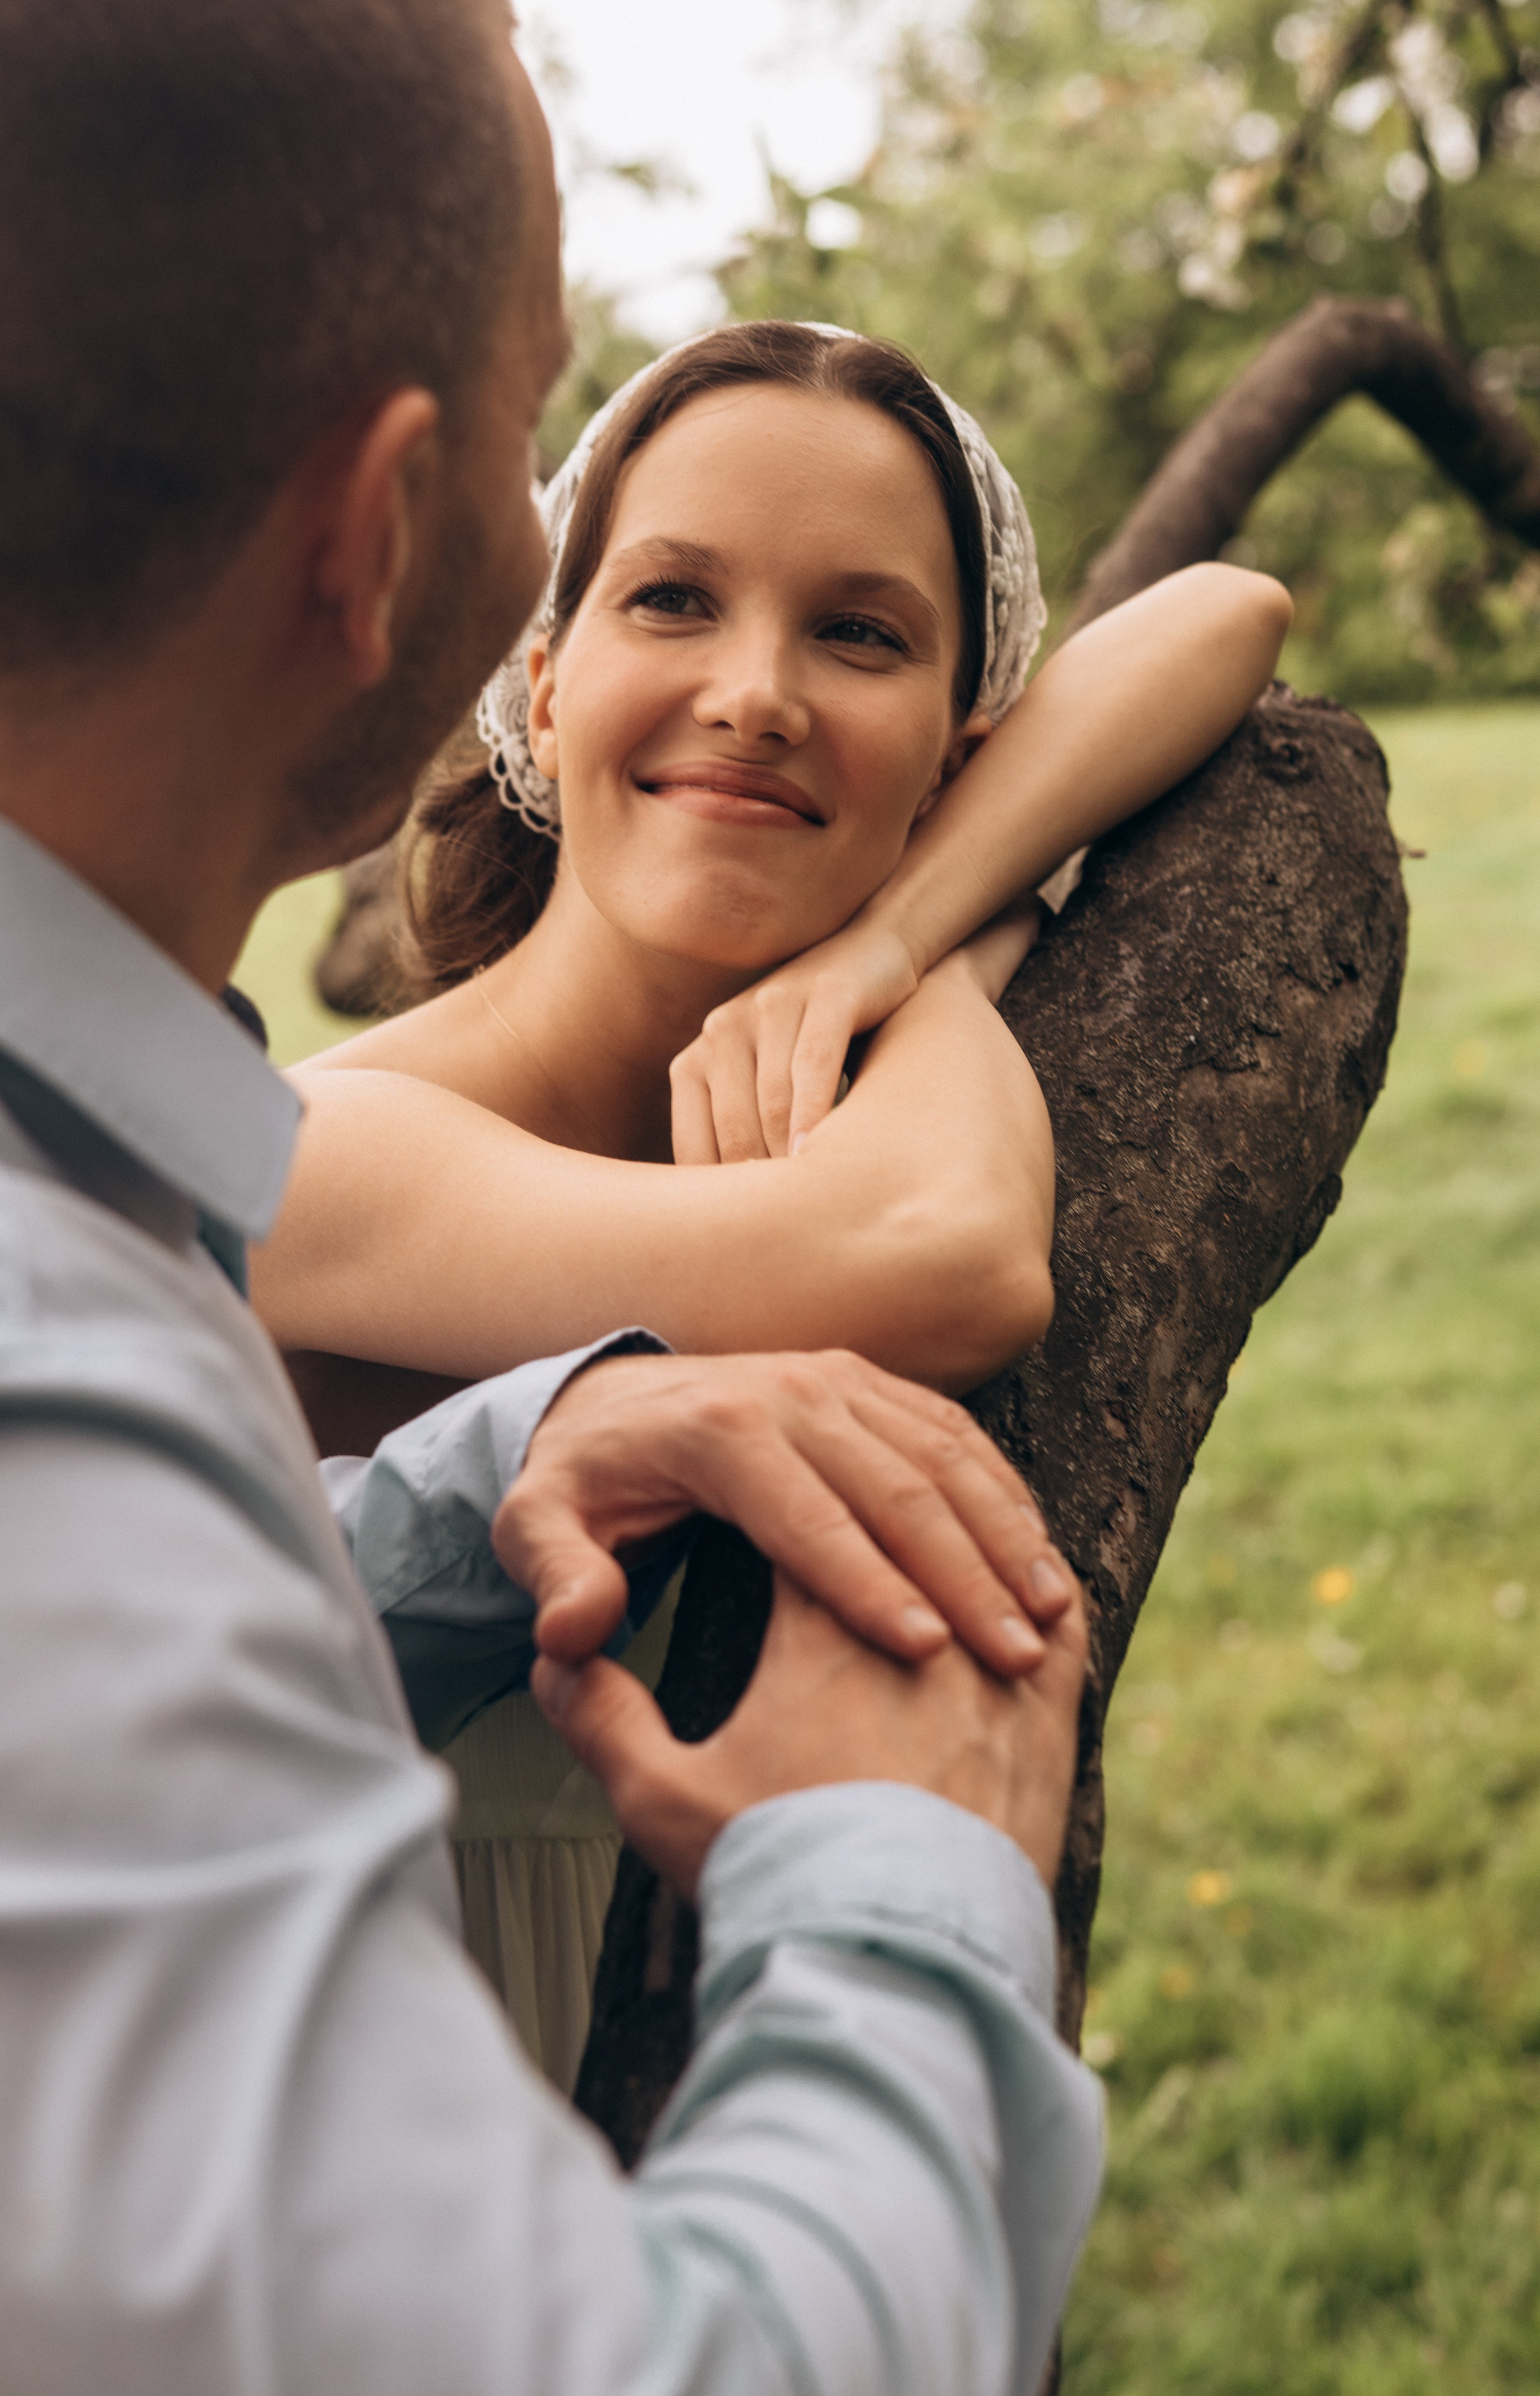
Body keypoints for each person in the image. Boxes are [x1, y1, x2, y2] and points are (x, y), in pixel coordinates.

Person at [0, 4, 1103, 2391]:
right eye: (532, 434)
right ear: (391, 538)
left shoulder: (98, 1227)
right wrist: (903, 1869)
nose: (749, 690)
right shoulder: (73, 1363)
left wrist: (462, 1493)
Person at [251, 325, 1291, 2077]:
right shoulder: (328, 1149)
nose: (758, 693)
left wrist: (891, 927)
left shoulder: (862, 1038)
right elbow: (948, 1255)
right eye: (670, 600)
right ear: (547, 677)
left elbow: (1231, 613)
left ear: (963, 742)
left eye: (859, 633)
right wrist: (962, 933)